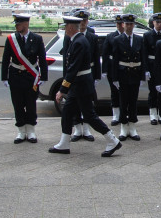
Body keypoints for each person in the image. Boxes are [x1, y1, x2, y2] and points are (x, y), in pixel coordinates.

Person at [49, 16, 121, 157]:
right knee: (68, 112)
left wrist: (62, 89)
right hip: (78, 85)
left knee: (89, 116)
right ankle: (64, 143)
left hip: (81, 85)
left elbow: (73, 68)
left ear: (70, 27)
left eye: (65, 26)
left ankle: (113, 140)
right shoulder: (76, 40)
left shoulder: (79, 42)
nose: (64, 28)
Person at [1, 14, 48, 143]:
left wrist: (43, 76)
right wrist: (4, 77)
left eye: (19, 24)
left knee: (31, 104)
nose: (16, 26)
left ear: (26, 24)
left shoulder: (37, 39)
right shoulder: (11, 39)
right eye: (15, 24)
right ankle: (21, 131)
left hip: (31, 77)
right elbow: (5, 59)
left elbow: (42, 59)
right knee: (18, 104)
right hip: (16, 75)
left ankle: (31, 130)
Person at [112, 13, 145, 141]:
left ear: (134, 25)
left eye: (131, 24)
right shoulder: (117, 40)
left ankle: (132, 127)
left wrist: (143, 76)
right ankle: (123, 127)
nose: (129, 26)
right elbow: (115, 60)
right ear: (123, 25)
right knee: (123, 101)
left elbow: (142, 58)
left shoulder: (139, 39)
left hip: (135, 74)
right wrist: (114, 78)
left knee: (133, 102)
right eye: (127, 24)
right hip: (123, 74)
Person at [70, 9, 100, 142]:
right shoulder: (70, 36)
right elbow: (67, 59)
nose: (83, 23)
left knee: (88, 102)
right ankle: (77, 129)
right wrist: (67, 77)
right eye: (80, 20)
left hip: (89, 73)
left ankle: (87, 129)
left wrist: (97, 76)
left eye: (85, 20)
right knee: (75, 101)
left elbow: (96, 57)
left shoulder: (93, 37)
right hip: (75, 75)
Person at [143, 12, 161, 125]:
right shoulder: (147, 35)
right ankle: (153, 114)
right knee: (152, 91)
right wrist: (146, 70)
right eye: (157, 22)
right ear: (153, 23)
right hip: (152, 66)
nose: (159, 24)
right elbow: (144, 54)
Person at [102, 14, 124, 125]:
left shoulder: (128, 37)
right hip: (112, 68)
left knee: (124, 93)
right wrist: (104, 70)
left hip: (124, 68)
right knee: (114, 92)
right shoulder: (110, 36)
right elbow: (105, 54)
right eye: (118, 23)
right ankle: (116, 116)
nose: (120, 25)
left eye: (121, 23)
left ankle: (124, 114)